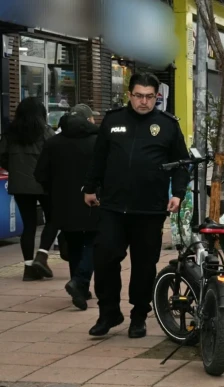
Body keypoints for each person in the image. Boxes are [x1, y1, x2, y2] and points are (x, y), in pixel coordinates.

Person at [83, 72, 189, 338]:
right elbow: (99, 157)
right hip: (113, 206)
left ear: (157, 97)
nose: (144, 101)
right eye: (139, 96)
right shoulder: (113, 120)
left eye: (149, 97)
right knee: (105, 258)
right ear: (129, 95)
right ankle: (108, 313)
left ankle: (139, 315)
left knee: (143, 266)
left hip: (149, 209)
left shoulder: (167, 125)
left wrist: (177, 193)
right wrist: (90, 187)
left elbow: (182, 165)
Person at [34, 105, 100, 310]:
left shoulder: (53, 143)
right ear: (88, 121)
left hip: (62, 203)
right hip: (92, 200)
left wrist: (54, 190)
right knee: (93, 242)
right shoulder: (97, 142)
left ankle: (79, 286)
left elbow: (40, 173)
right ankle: (79, 282)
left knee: (73, 243)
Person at [0, 98, 57, 281]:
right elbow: (55, 155)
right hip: (44, 183)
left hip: (19, 185)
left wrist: (15, 170)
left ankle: (28, 268)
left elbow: (2, 157)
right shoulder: (46, 132)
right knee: (54, 218)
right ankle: (41, 255)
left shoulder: (9, 134)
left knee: (29, 225)